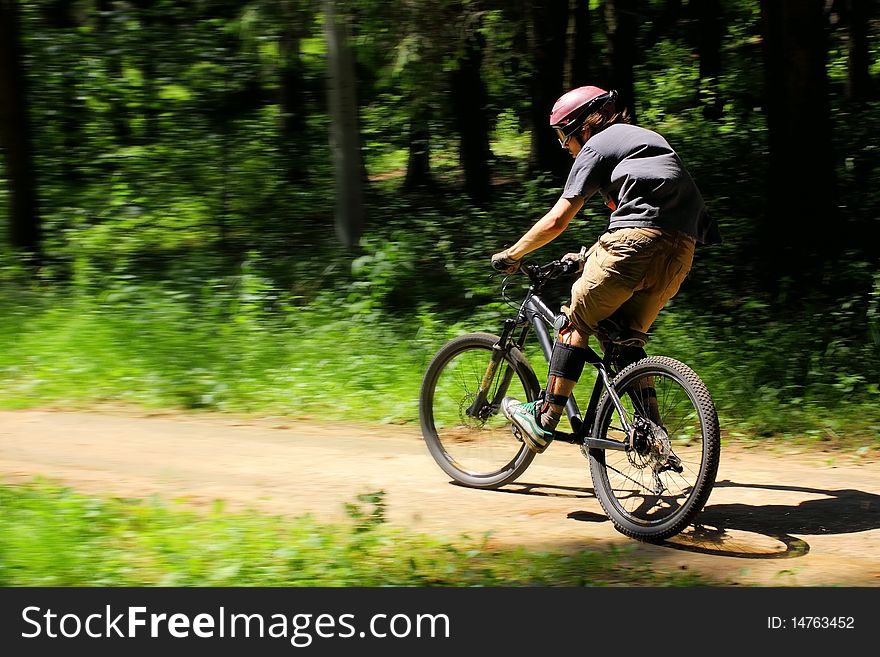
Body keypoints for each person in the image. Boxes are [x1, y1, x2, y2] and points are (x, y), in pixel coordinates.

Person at [491, 85, 720, 454]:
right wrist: (589, 256)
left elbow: (558, 220)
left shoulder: (598, 144)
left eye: (563, 135)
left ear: (582, 126)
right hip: (681, 254)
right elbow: (649, 224)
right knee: (623, 339)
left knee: (574, 321)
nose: (564, 145)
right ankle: (653, 436)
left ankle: (544, 417)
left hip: (636, 245)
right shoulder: (647, 141)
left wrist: (512, 253)